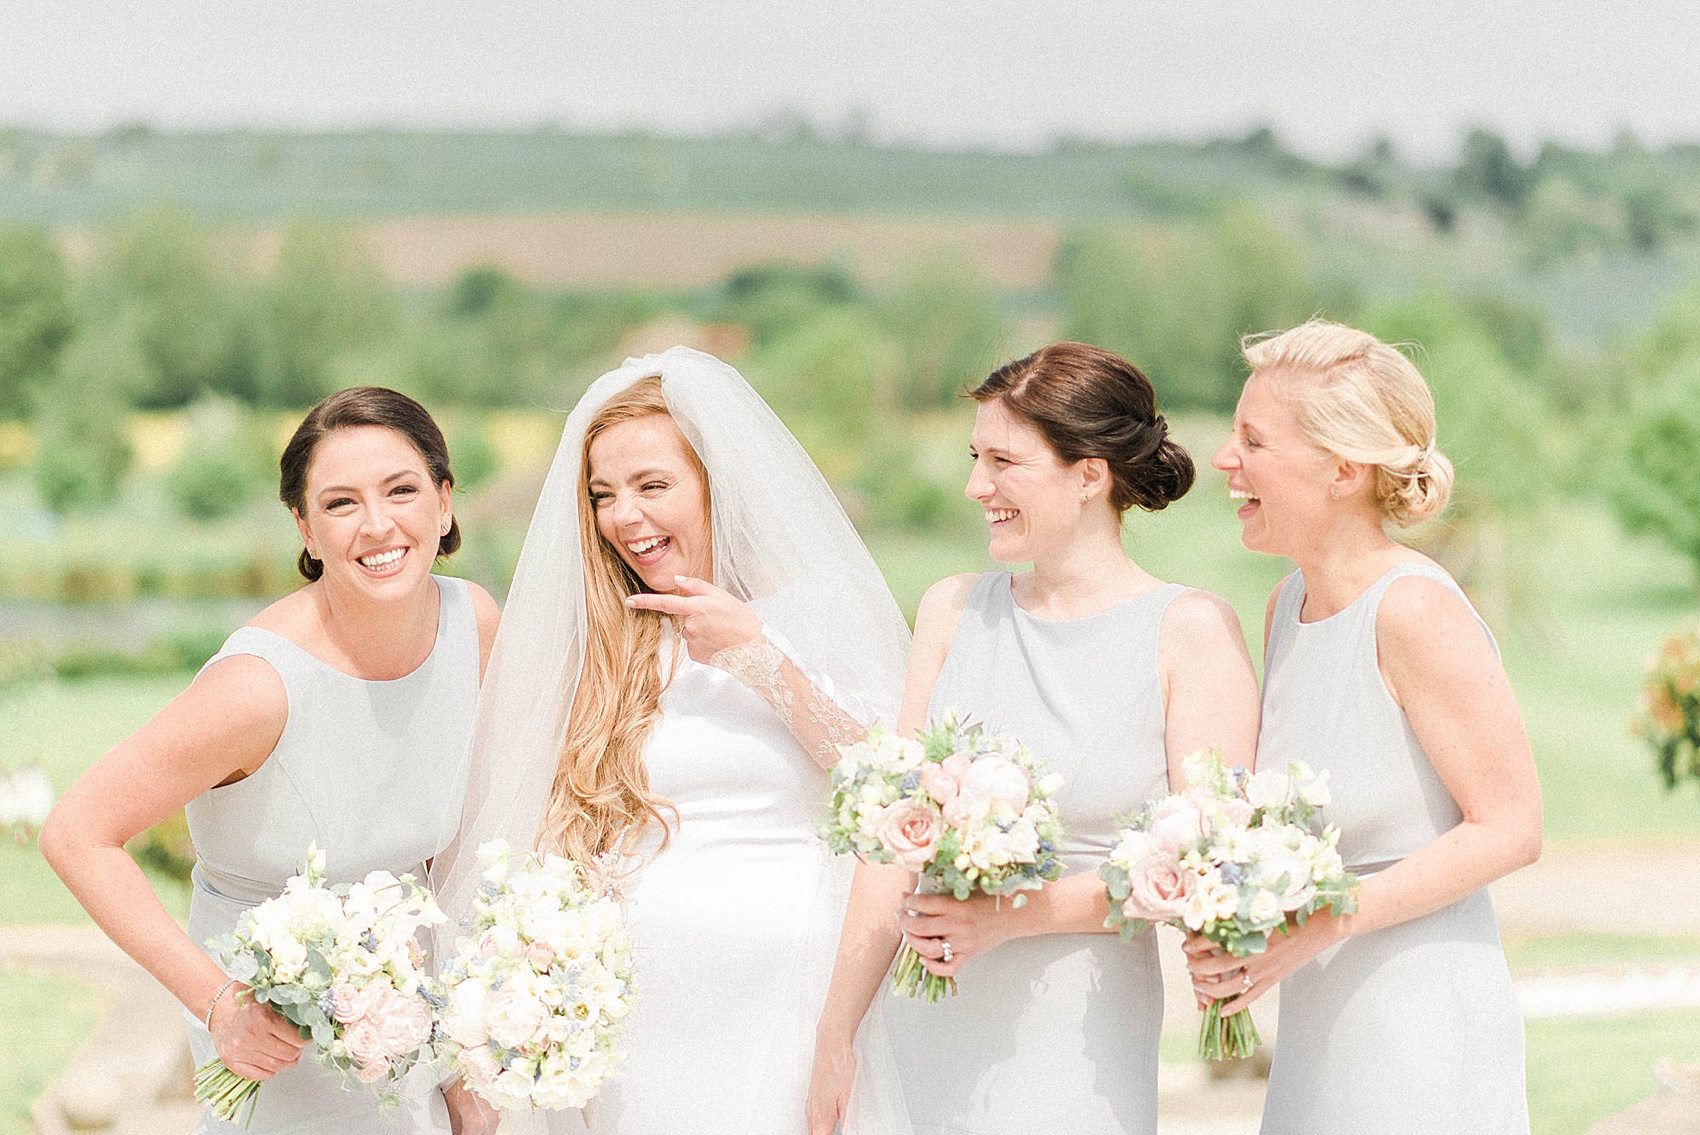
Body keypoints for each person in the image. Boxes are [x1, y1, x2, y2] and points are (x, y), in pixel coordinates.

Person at [431, 347, 911, 1134]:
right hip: (637, 1026)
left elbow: (889, 792)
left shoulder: (812, 609)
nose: (625, 515)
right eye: (604, 495)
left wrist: (757, 654)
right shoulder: (604, 641)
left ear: (714, 484)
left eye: (653, 485)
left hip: (786, 1005)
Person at [807, 342, 1261, 1135]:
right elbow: (890, 849)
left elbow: (1209, 872)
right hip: (916, 1029)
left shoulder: (1189, 631)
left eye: (1004, 461)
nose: (976, 486)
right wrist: (835, 1034)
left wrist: (1018, 913)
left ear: (1090, 474)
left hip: (1077, 1042)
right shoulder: (951, 610)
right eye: (975, 456)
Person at [40, 387, 501, 1135]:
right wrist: (219, 1004)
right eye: (341, 502)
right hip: (276, 1059)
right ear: (306, 528)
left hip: (413, 1034)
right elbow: (76, 831)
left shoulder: (472, 623)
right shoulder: (257, 689)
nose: (378, 524)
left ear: (444, 504)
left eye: (402, 490)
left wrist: (463, 1058)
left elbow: (458, 849)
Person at [1188, 319, 1542, 1133]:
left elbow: (1513, 827)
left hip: (1418, 1022)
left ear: (1342, 469)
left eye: (1253, 439)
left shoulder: (1413, 609)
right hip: (1319, 1019)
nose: (1225, 459)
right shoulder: (1285, 608)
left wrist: (1315, 924)